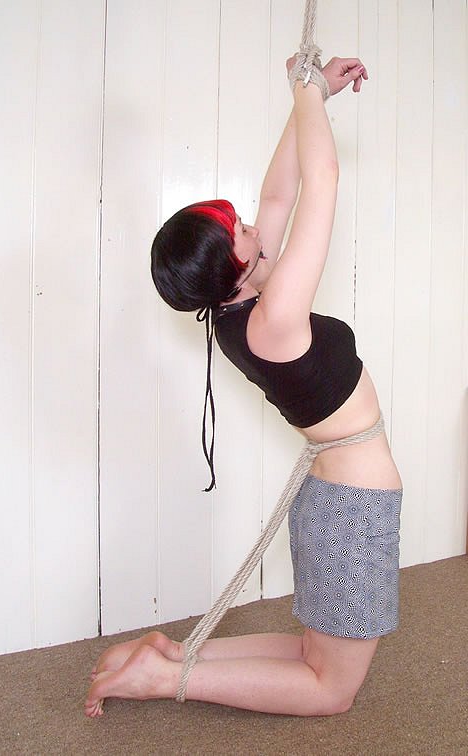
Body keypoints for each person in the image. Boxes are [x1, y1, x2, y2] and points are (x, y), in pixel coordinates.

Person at [85, 54, 402, 719]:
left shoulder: (242, 309)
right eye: (243, 234)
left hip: (334, 499)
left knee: (314, 654)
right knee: (331, 690)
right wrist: (306, 87)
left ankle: (173, 655)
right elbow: (323, 178)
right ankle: (162, 679)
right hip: (352, 505)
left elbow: (282, 195)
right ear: (235, 269)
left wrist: (313, 97)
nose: (256, 227)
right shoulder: (274, 317)